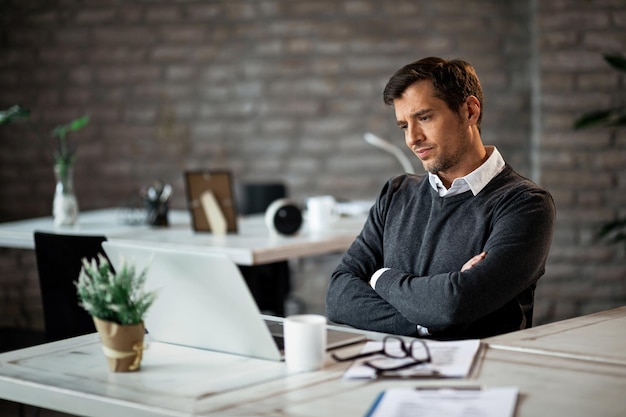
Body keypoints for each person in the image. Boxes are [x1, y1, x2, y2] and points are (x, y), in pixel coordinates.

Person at [325, 57, 555, 340]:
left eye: (424, 117)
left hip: (482, 375)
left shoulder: (525, 204)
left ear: (470, 111)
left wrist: (378, 277)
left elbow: (453, 304)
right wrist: (428, 319)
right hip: (393, 368)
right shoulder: (396, 193)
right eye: (403, 126)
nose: (412, 138)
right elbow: (338, 296)